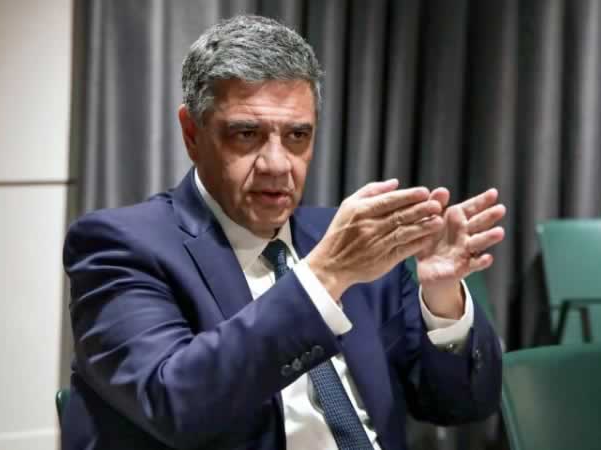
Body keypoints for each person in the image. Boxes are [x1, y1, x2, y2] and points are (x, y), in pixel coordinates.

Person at [62, 15, 505, 450]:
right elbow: (172, 403)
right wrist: (324, 278)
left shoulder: (349, 240)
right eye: (246, 134)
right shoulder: (120, 245)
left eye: (297, 135)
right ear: (192, 133)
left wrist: (441, 298)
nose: (277, 164)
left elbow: (462, 405)